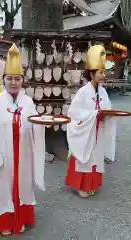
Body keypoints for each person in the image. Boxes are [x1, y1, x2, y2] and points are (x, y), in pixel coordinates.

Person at [0, 43, 46, 236]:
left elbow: (35, 123)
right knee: (3, 188)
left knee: (22, 185)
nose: (13, 82)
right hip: (2, 154)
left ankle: (20, 219)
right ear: (3, 80)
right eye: (10, 79)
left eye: (17, 79)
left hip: (23, 153)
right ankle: (4, 223)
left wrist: (42, 125)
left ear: (22, 81)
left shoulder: (28, 102)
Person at [65, 45, 117, 198]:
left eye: (104, 72)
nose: (103, 76)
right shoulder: (83, 92)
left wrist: (106, 114)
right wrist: (94, 114)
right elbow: (73, 112)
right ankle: (80, 186)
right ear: (92, 73)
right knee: (84, 159)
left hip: (97, 131)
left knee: (96, 158)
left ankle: (92, 185)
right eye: (100, 73)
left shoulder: (102, 91)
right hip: (86, 133)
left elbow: (107, 108)